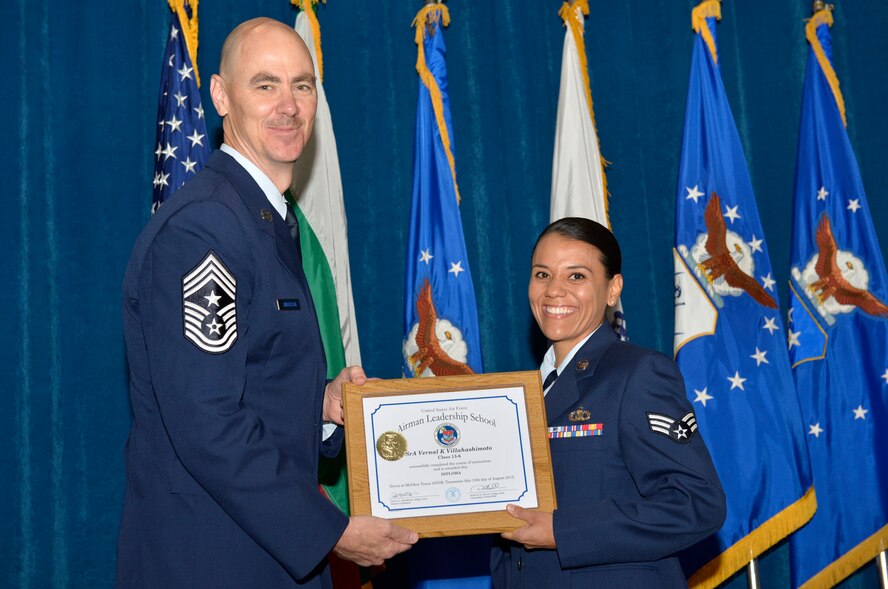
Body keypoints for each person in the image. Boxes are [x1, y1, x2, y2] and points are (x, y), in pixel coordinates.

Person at [117, 18, 417, 588]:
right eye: (265, 84)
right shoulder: (205, 230)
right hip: (214, 563)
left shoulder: (264, 221)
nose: (289, 106)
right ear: (220, 96)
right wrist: (328, 532)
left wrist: (320, 403)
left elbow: (247, 381)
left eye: (302, 85)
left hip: (261, 556)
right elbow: (207, 421)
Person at [491, 218, 726, 588]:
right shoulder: (518, 396)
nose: (554, 290)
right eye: (542, 274)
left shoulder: (639, 373)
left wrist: (563, 532)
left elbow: (697, 503)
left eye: (576, 276)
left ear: (613, 289)